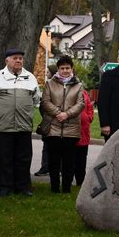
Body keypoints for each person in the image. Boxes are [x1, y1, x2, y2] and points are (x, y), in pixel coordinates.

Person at [0, 48, 41, 197]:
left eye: (20, 58)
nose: (19, 61)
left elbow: (36, 100)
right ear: (7, 60)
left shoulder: (30, 78)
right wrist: (0, 113)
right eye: (15, 58)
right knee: (5, 158)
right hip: (3, 126)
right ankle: (5, 187)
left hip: (24, 126)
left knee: (24, 158)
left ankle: (23, 187)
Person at [40, 55, 84, 193]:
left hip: (71, 128)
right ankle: (54, 187)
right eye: (62, 68)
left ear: (72, 69)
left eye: (67, 68)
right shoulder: (49, 84)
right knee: (54, 160)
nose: (65, 70)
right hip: (53, 127)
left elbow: (80, 104)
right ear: (58, 69)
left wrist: (67, 114)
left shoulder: (79, 85)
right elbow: (45, 102)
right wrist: (58, 113)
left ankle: (66, 188)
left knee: (69, 161)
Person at [35, 64, 58, 177]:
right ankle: (46, 167)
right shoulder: (48, 86)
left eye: (48, 72)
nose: (46, 74)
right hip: (47, 120)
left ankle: (50, 168)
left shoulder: (54, 87)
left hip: (55, 120)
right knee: (47, 146)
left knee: (52, 147)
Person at [74, 89, 94, 186]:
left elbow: (89, 106)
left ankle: (80, 182)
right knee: (70, 159)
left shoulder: (84, 92)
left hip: (84, 131)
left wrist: (88, 117)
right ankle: (67, 181)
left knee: (82, 159)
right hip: (70, 130)